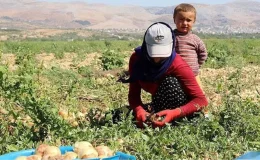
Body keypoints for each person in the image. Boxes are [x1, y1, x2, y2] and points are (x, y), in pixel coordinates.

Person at [126, 22, 208, 128]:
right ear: (146, 47)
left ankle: (175, 122)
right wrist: (140, 111)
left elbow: (201, 100)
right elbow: (134, 95)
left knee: (170, 82)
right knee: (119, 116)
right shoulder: (137, 60)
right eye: (153, 54)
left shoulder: (177, 64)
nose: (157, 60)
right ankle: (157, 117)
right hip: (159, 103)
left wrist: (175, 112)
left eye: (162, 55)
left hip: (182, 107)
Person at [173, 3, 208, 87]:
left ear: (194, 21)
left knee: (199, 96)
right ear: (174, 20)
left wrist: (197, 65)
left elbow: (203, 53)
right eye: (181, 19)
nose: (185, 23)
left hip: (193, 75)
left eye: (188, 20)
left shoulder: (195, 39)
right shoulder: (171, 37)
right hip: (176, 76)